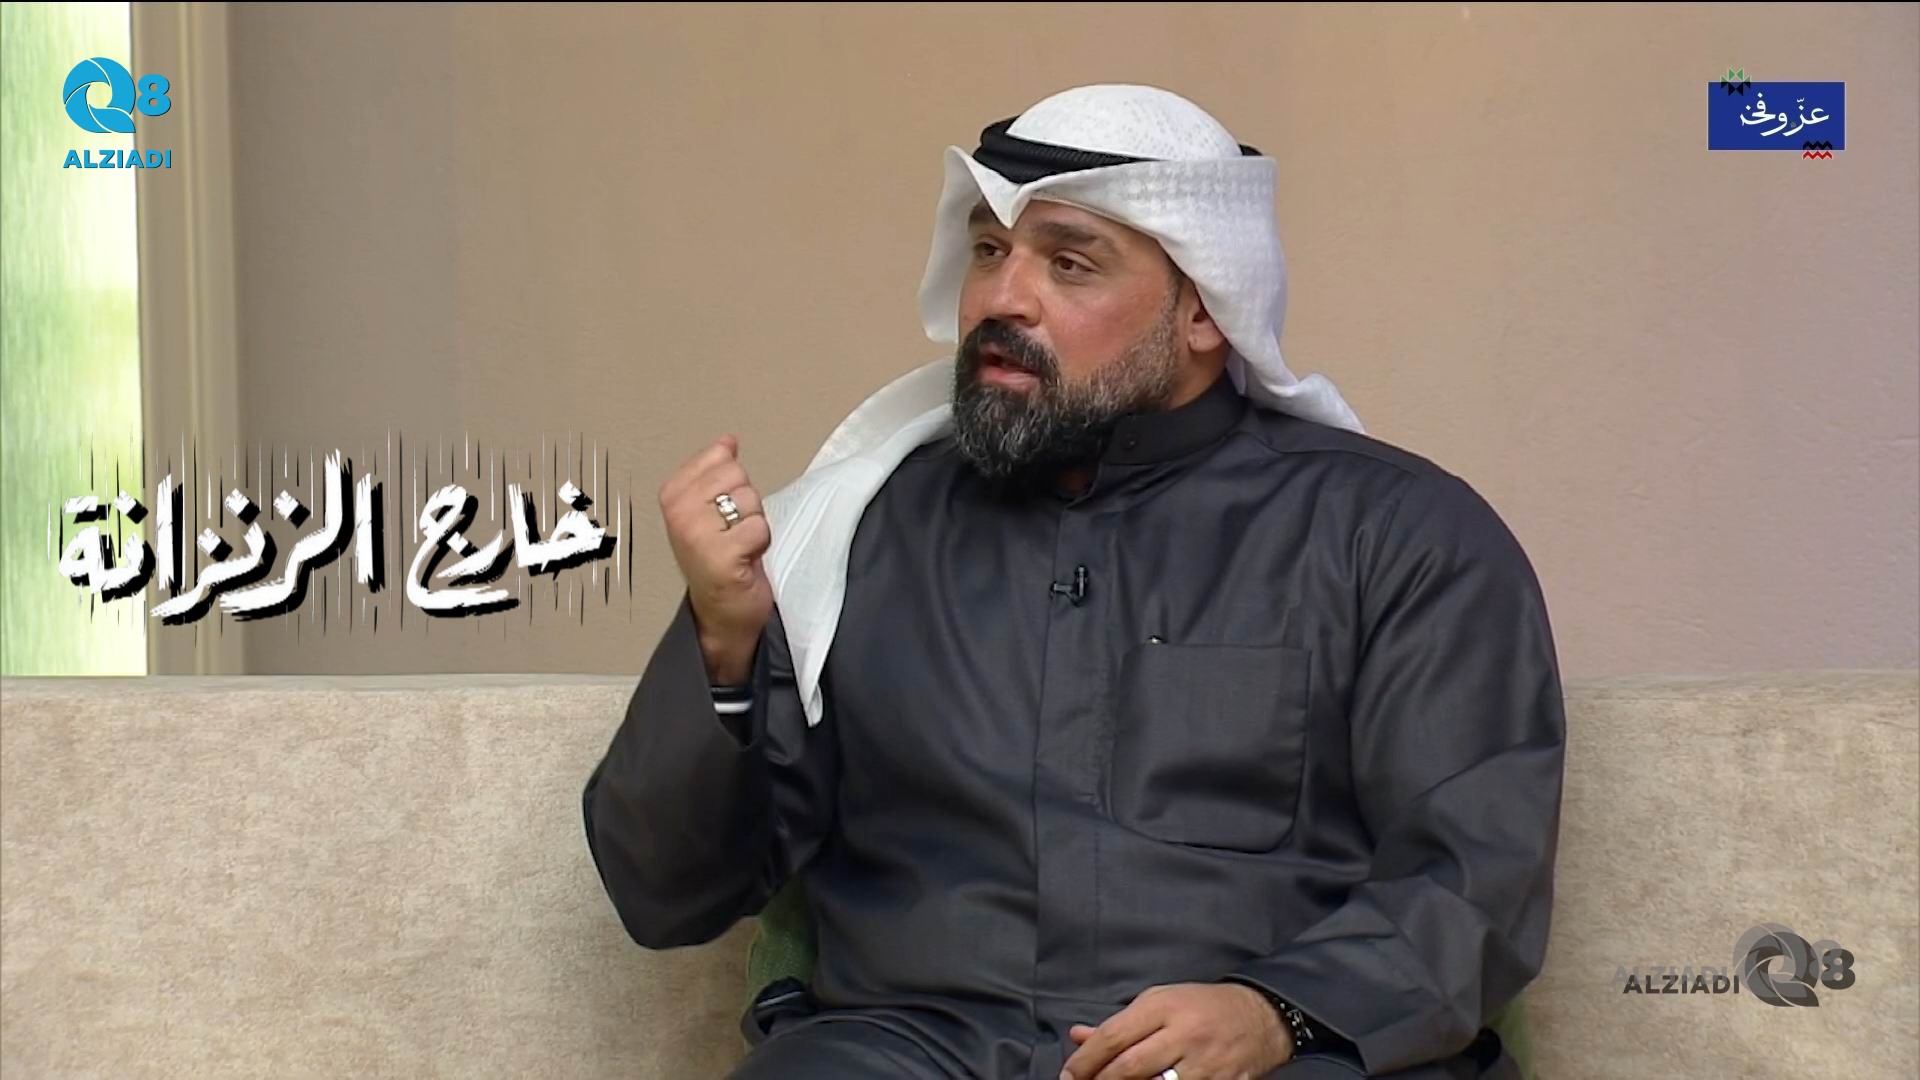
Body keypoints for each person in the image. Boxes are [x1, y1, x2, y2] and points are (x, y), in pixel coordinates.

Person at [582, 84, 1566, 1080]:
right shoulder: (852, 530)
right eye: (988, 251)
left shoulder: (1396, 538)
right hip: (912, 1051)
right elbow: (666, 894)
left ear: (1203, 310)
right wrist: (723, 644)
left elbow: (1470, 877)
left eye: (1068, 263)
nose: (1002, 299)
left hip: (1270, 1060)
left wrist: (1277, 1012)